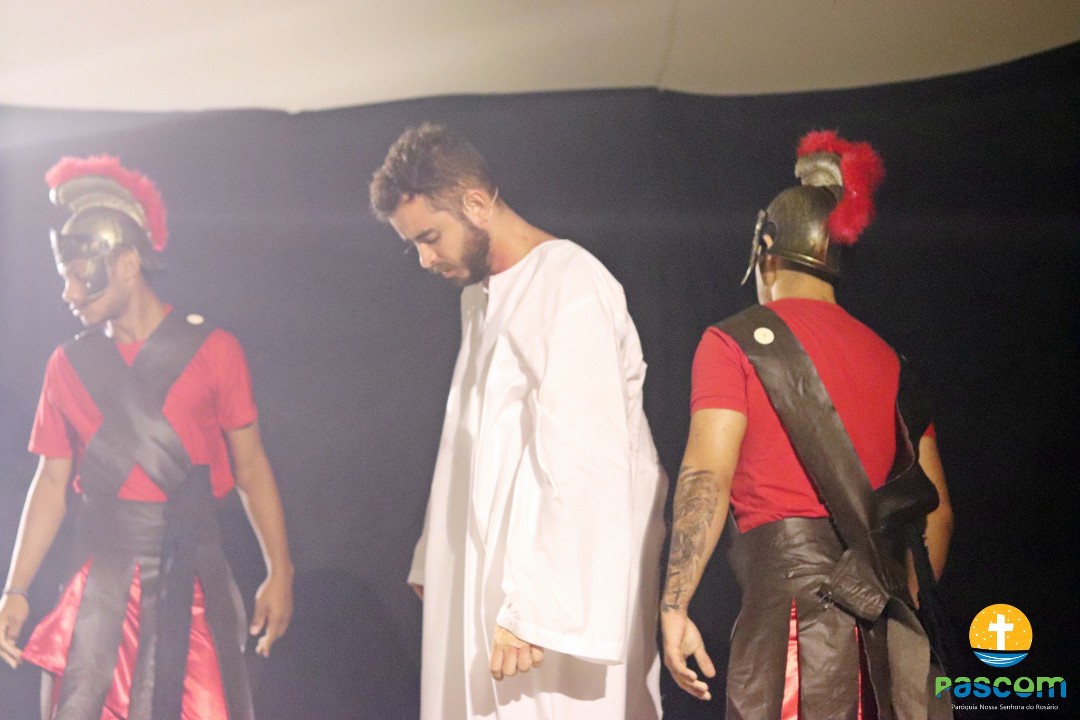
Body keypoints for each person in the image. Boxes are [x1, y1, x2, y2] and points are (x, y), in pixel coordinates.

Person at [369, 123, 667, 719]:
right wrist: (438, 553)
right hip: (490, 589)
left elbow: (586, 456)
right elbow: (466, 446)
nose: (425, 259)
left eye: (430, 237)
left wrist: (540, 607)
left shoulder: (568, 282)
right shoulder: (481, 301)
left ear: (477, 204)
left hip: (546, 611)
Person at [660, 131, 954, 719]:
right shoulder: (894, 363)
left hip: (794, 632)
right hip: (892, 643)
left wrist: (675, 605)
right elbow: (938, 514)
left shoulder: (732, 342)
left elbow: (706, 475)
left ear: (766, 249)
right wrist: (889, 605)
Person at [0, 155, 293, 720]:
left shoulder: (214, 350)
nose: (68, 292)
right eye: (64, 277)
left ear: (127, 263)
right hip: (98, 584)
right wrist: (15, 589)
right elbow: (52, 483)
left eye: (79, 273)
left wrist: (281, 570)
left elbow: (252, 468)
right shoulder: (67, 364)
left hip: (193, 580)